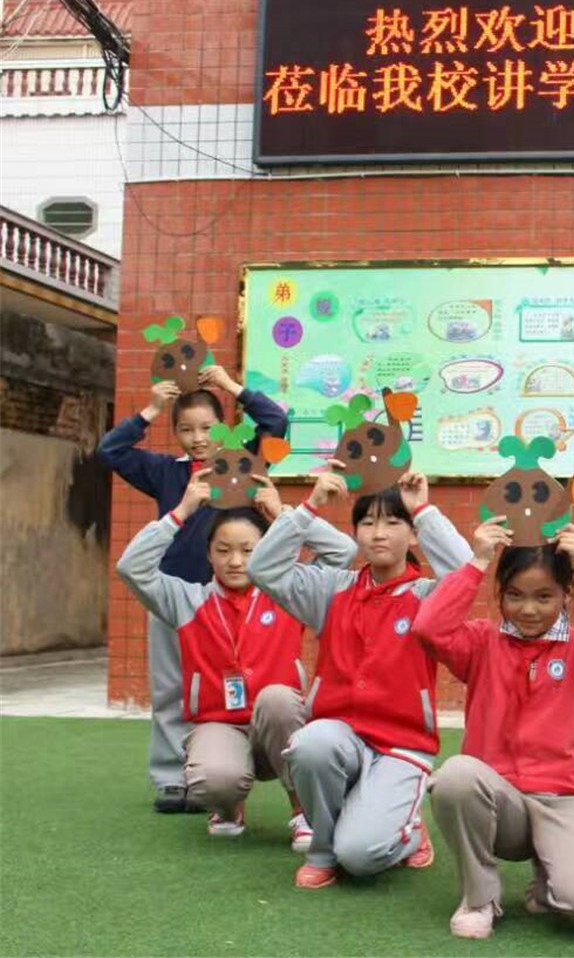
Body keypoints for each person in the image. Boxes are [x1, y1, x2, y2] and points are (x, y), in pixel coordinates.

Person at [246, 464, 471, 888]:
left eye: (393, 523)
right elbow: (263, 568)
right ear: (355, 533)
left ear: (413, 535)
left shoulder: (427, 597)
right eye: (367, 523)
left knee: (361, 856)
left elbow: (464, 573)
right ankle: (322, 850)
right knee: (310, 743)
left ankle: (408, 830)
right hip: (339, 736)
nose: (378, 533)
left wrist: (423, 510)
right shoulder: (332, 589)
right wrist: (310, 507)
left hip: (401, 746)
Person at [416, 519, 574, 939]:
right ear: (500, 594)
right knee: (456, 776)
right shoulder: (480, 643)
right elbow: (428, 627)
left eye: (544, 596)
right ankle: (480, 898)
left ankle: (553, 877)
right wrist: (476, 563)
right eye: (515, 595)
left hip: (565, 799)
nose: (529, 610)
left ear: (566, 595)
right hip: (501, 803)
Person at [116, 470, 355, 846]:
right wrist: (181, 512)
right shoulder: (188, 601)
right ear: (208, 554)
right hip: (219, 726)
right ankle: (227, 807)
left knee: (277, 699)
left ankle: (303, 810)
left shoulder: (289, 594)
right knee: (214, 779)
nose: (235, 561)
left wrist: (285, 514)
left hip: (278, 727)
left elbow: (342, 552)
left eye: (249, 550)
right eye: (223, 550)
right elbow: (131, 568)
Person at [100, 367, 288, 812]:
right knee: (170, 687)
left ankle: (221, 770)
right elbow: (111, 450)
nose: (198, 438)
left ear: (224, 426)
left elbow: (276, 421)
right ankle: (171, 777)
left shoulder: (245, 462)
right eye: (186, 429)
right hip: (175, 596)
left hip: (231, 599)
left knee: (229, 688)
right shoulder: (167, 472)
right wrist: (150, 409)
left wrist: (230, 386)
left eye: (207, 427)